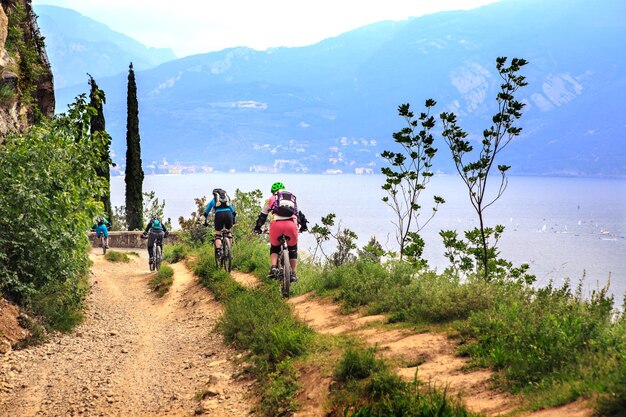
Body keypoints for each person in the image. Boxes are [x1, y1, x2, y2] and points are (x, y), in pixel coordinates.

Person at [254, 182, 308, 282]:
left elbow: (262, 217)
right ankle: (293, 273)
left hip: (276, 225)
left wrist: (257, 228)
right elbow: (299, 215)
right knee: (293, 249)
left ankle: (273, 268)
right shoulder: (291, 199)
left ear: (272, 193)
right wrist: (303, 227)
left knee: (274, 247)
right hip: (291, 225)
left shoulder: (269, 200)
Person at [203, 188, 236, 258]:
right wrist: (233, 220)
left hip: (219, 216)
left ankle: (218, 252)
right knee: (228, 232)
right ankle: (230, 249)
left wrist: (205, 222)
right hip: (228, 215)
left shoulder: (213, 200)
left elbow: (206, 213)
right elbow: (234, 212)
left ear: (215, 194)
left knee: (218, 234)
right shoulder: (227, 200)